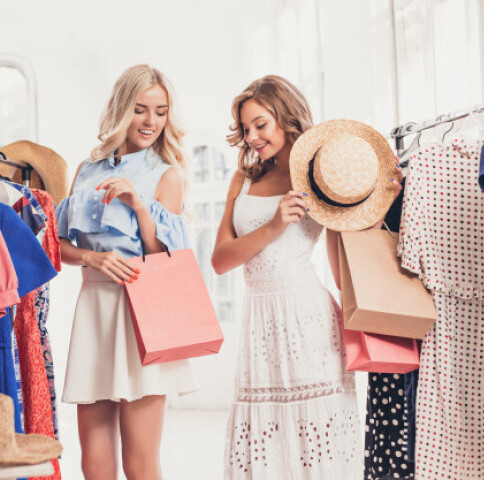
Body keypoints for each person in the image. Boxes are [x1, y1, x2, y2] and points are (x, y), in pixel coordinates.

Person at [211, 75, 402, 479]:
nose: (252, 136)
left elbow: (340, 263)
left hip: (307, 319)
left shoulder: (319, 176)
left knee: (318, 446)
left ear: (286, 116)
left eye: (260, 124)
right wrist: (272, 226)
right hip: (259, 323)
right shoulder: (243, 179)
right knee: (267, 447)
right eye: (246, 128)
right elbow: (220, 261)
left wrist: (382, 203)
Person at [56, 64, 197, 480]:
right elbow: (59, 247)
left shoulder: (166, 175)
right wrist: (92, 258)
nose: (151, 121)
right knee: (93, 461)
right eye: (140, 109)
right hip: (94, 309)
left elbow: (164, 259)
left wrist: (138, 205)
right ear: (121, 109)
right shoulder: (87, 170)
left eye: (160, 110)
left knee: (140, 460)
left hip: (140, 312)